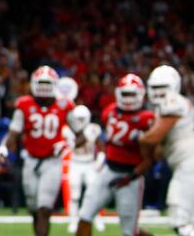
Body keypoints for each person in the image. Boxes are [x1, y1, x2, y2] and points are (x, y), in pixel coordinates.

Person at [0, 66, 74, 236]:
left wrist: (68, 144)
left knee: (44, 208)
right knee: (33, 208)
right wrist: (3, 148)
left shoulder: (64, 105)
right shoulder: (24, 104)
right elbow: (14, 132)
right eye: (41, 83)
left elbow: (81, 134)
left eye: (48, 83)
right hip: (30, 161)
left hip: (52, 162)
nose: (44, 87)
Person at [76, 74, 155, 236]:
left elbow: (150, 159)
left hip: (131, 177)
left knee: (129, 231)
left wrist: (130, 177)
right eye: (125, 94)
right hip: (108, 171)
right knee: (84, 215)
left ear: (141, 94)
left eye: (132, 94)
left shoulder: (146, 118)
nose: (128, 98)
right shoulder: (110, 111)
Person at [139, 65, 194, 235]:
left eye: (162, 87)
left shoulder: (174, 102)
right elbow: (159, 150)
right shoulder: (168, 106)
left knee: (180, 219)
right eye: (155, 88)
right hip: (184, 165)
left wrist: (135, 136)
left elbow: (153, 138)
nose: (158, 92)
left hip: (189, 166)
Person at [63, 105, 105, 233]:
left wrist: (100, 160)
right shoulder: (67, 130)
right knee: (75, 194)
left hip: (89, 163)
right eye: (78, 118)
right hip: (75, 163)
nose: (80, 121)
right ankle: (74, 220)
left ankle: (97, 218)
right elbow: (74, 144)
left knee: (93, 193)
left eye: (82, 118)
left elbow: (101, 146)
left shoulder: (93, 128)